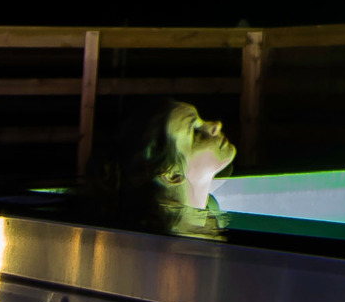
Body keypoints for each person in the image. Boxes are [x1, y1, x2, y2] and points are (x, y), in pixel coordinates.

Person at [79, 99, 237, 236]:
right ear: (169, 173)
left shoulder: (212, 216)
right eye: (195, 133)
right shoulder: (163, 251)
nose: (216, 125)